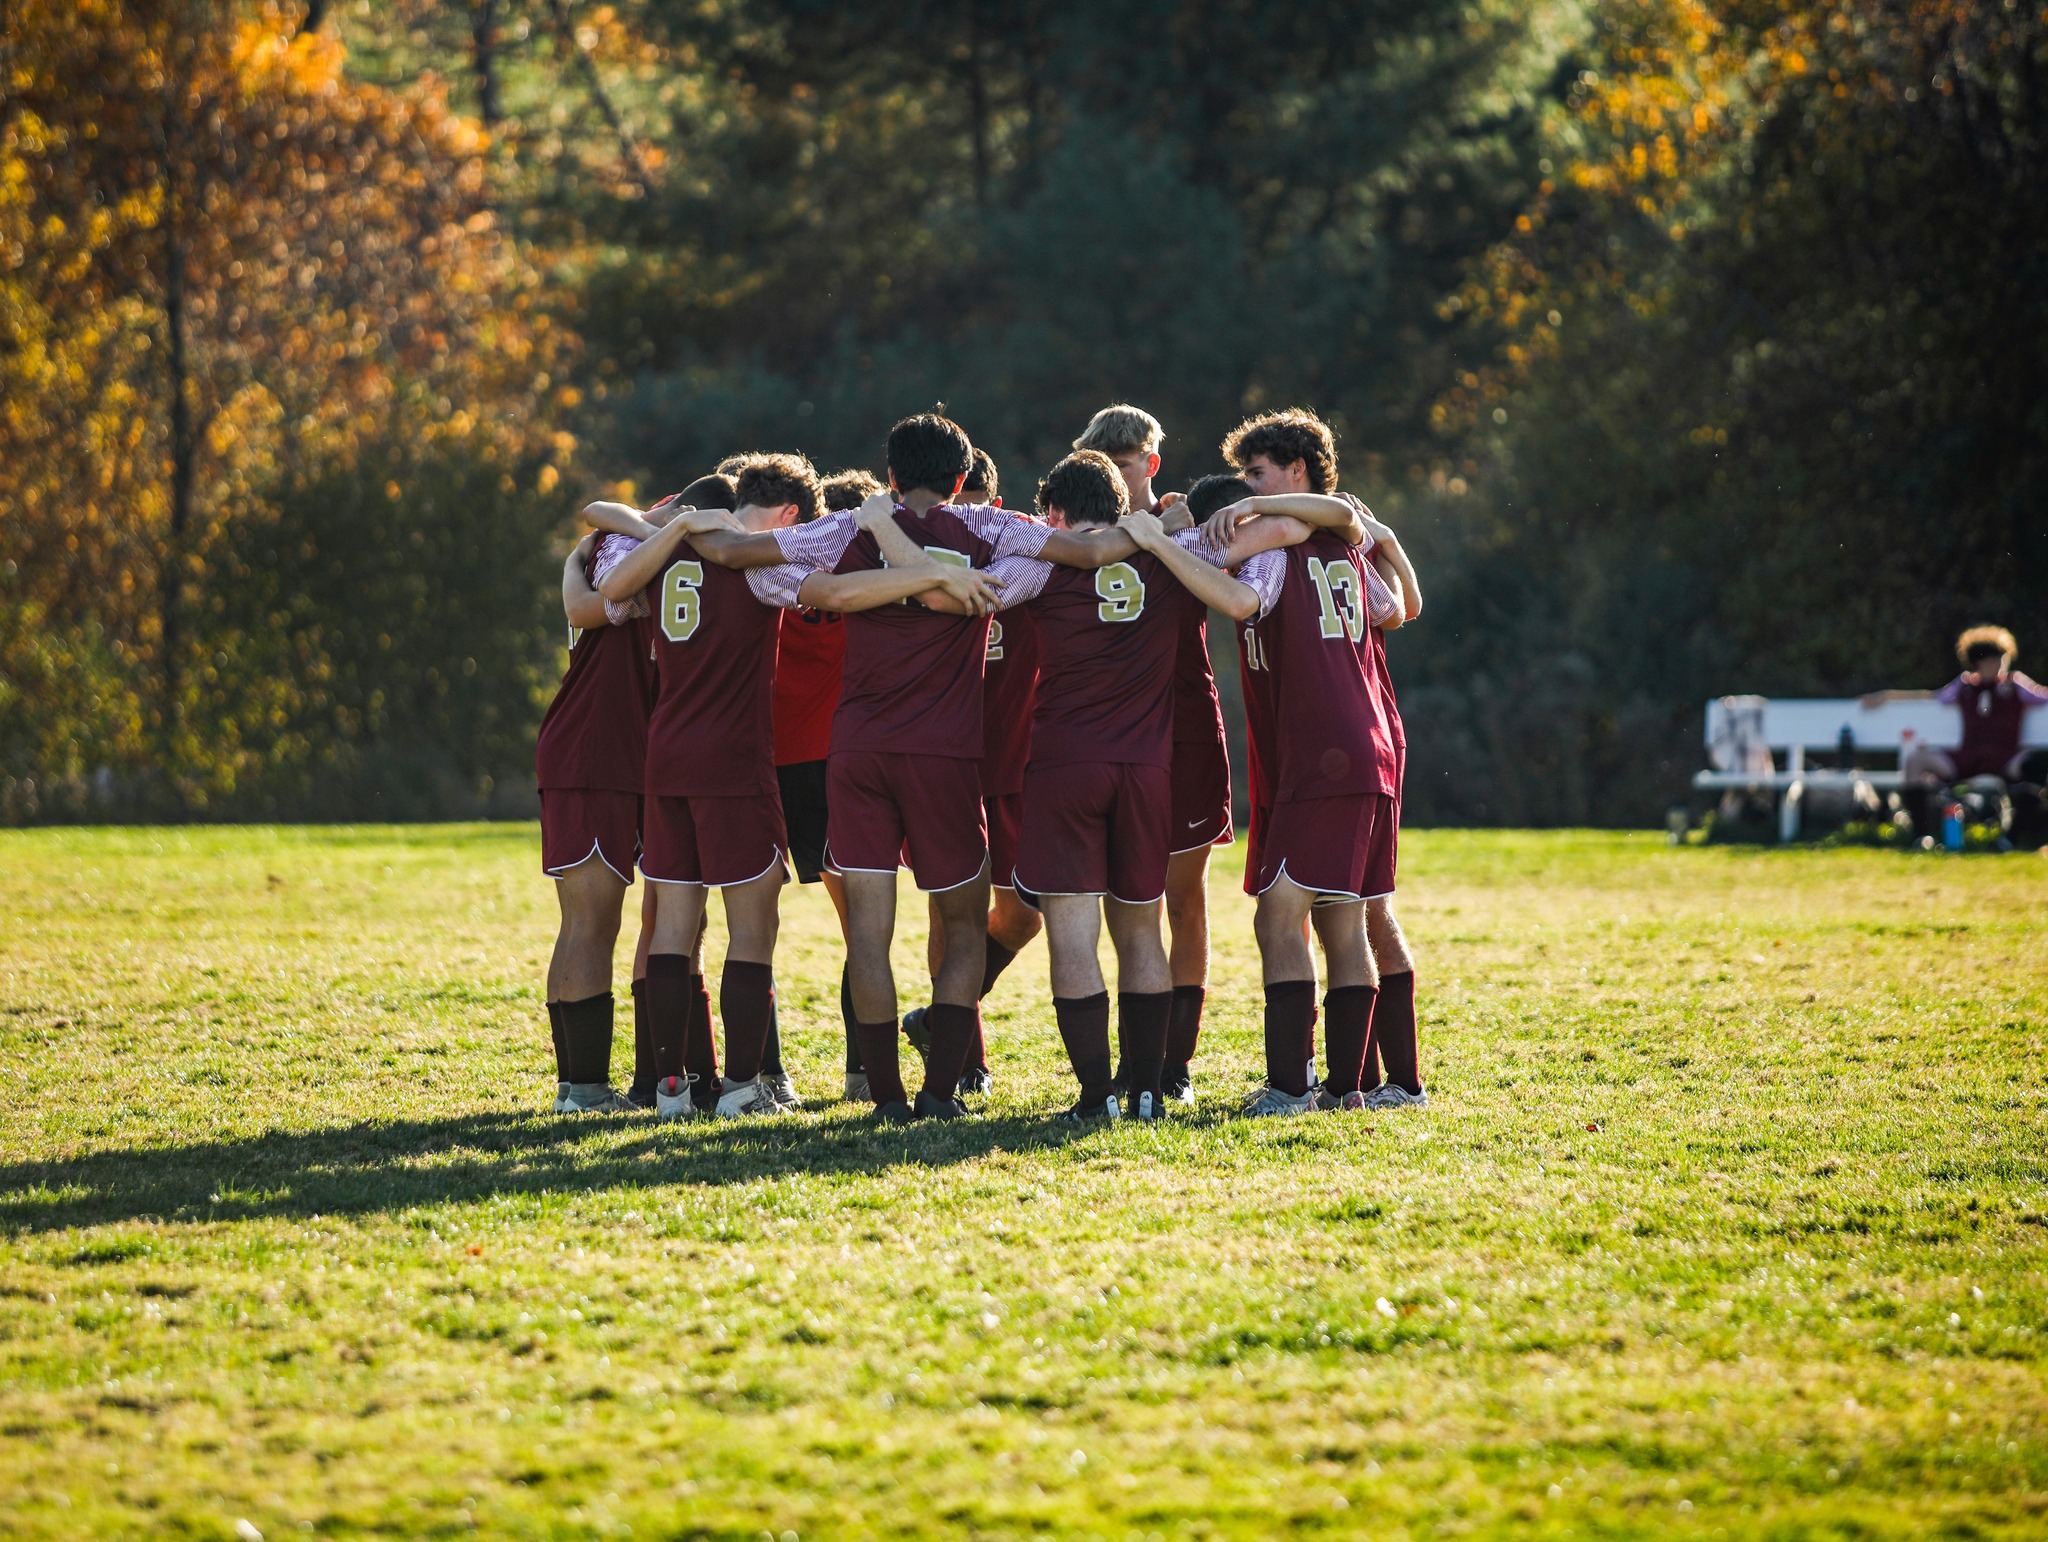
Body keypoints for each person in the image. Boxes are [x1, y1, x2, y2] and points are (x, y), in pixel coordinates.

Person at [685, 412, 1142, 1121]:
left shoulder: (846, 531)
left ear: (890, 474)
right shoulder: (993, 530)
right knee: (963, 928)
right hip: (947, 755)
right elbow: (1082, 555)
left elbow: (745, 555)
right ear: (964, 479)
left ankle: (887, 1098)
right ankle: (938, 1094)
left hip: (859, 750)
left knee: (868, 935)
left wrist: (671, 529)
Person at [591, 454, 1004, 1119]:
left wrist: (664, 525)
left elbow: (603, 576)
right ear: (789, 515)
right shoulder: (758, 568)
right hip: (739, 759)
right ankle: (748, 1086)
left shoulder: (662, 554)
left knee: (672, 926)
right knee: (758, 930)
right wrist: (927, 573)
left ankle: (670, 1090)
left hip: (664, 757)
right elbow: (836, 595)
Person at [1207, 408, 1408, 1116]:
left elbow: (1248, 569)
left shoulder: (1283, 540)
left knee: (1281, 916)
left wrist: (1246, 518)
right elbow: (1399, 608)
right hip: (1360, 745)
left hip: (1323, 750)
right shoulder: (1344, 543)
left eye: (1256, 475)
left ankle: (1292, 1089)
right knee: (1344, 920)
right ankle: (1351, 1088)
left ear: (1296, 470)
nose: (1245, 493)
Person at [1072, 405, 1224, 1104]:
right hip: (1109, 736)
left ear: (1151, 464)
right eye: (1105, 465)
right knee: (1123, 900)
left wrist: (1169, 526)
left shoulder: (1188, 521)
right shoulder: (1079, 526)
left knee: (1181, 896)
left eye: (1127, 463)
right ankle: (1133, 1064)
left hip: (1185, 724)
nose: (1118, 476)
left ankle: (1175, 1064)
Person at [902, 447, 1045, 1097]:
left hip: (1013, 764)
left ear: (992, 511)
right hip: (940, 761)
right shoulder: (909, 561)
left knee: (1021, 918)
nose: (952, 527)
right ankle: (966, 1062)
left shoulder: (1022, 556)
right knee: (949, 917)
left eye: (967, 514)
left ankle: (939, 1020)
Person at [533, 505, 666, 1113]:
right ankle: (583, 1089)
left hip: (600, 752)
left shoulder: (607, 552)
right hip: (595, 754)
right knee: (593, 923)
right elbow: (587, 597)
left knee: (588, 923)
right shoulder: (633, 559)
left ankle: (579, 1085)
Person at [778, 468, 883, 1101]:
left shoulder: (783, 574)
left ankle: (754, 1073)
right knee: (863, 930)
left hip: (778, 757)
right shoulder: (877, 578)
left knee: (749, 923)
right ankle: (862, 1072)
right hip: (842, 759)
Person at [1863, 625, 2048, 788]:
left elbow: (2042, 695)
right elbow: (1931, 696)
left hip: (2006, 758)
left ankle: (2023, 823)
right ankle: (1921, 827)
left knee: (2036, 764)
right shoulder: (1964, 686)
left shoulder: (2015, 684)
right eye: (1991, 660)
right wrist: (1887, 696)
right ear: (1977, 663)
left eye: (2001, 659)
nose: (1998, 665)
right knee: (1915, 761)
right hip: (1967, 759)